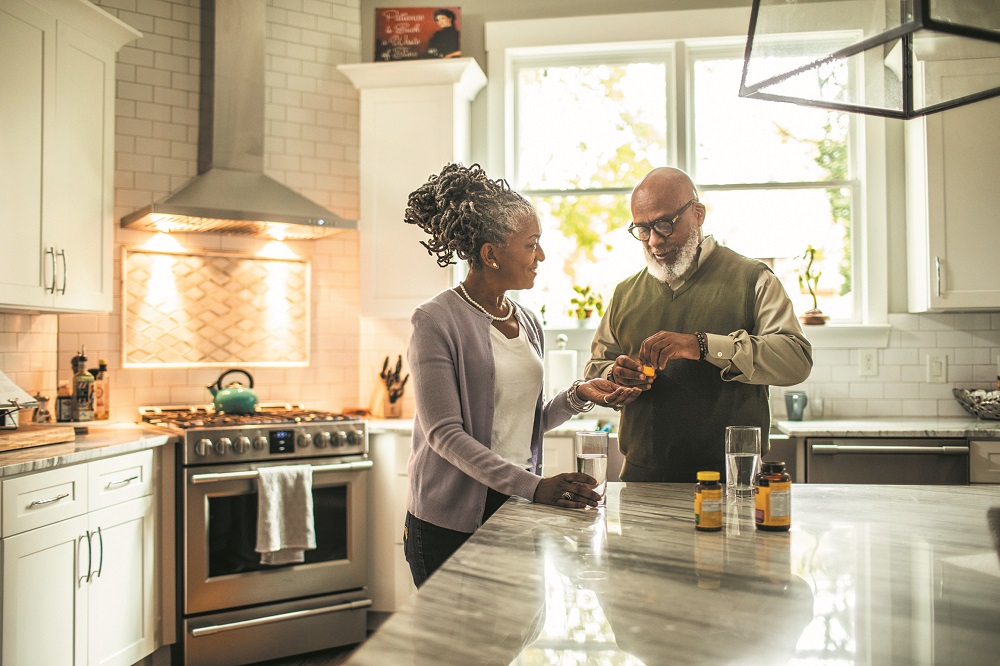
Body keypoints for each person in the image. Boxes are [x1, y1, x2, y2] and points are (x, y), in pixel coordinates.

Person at [403, 163, 639, 587]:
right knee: (456, 650)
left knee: (510, 640)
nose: (542, 257)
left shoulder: (528, 320)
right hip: (449, 523)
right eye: (532, 245)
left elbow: (525, 423)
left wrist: (579, 394)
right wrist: (534, 487)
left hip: (514, 505)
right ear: (491, 253)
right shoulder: (435, 321)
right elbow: (444, 435)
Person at [584, 166, 813, 482]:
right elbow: (596, 366)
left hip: (733, 481)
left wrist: (702, 345)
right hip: (641, 479)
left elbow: (796, 360)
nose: (654, 241)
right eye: (642, 229)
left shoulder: (752, 279)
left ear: (698, 213)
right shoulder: (626, 293)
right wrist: (615, 374)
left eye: (664, 225)